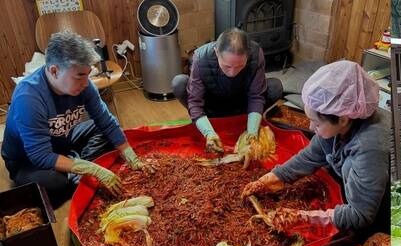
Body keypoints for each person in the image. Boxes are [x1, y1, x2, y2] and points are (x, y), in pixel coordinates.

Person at [1, 31, 151, 207]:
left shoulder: (84, 85)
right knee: (55, 184)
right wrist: (91, 168)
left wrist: (131, 157)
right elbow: (40, 155)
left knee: (110, 133)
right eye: (79, 76)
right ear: (54, 71)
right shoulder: (28, 97)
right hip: (27, 159)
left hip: (62, 140)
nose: (86, 83)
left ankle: (75, 165)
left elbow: (107, 122)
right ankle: (76, 168)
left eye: (88, 74)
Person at [242, 60, 390, 234]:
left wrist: (304, 217)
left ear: (343, 119)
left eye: (316, 123)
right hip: (361, 182)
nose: (311, 128)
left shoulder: (369, 147)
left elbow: (361, 214)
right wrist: (272, 178)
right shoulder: (342, 119)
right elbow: (311, 155)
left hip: (382, 204)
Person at [172, 28, 283, 155]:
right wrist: (209, 133)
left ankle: (247, 121)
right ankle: (204, 122)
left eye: (240, 66)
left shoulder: (256, 54)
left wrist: (251, 134)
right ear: (216, 52)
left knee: (275, 87)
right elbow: (195, 101)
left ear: (248, 54)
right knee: (179, 83)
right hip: (212, 107)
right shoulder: (201, 57)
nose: (232, 73)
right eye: (227, 66)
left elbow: (256, 96)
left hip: (241, 105)